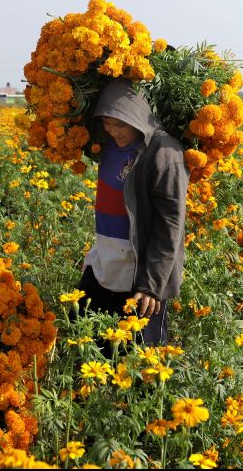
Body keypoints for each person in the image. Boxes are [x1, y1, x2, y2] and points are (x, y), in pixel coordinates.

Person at [76, 78, 189, 347]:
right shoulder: (107, 147)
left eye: (121, 124)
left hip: (141, 274)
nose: (114, 131)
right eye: (108, 122)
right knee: (89, 344)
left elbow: (170, 225)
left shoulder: (164, 152)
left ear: (138, 116)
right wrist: (96, 254)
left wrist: (151, 285)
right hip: (105, 264)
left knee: (137, 359)